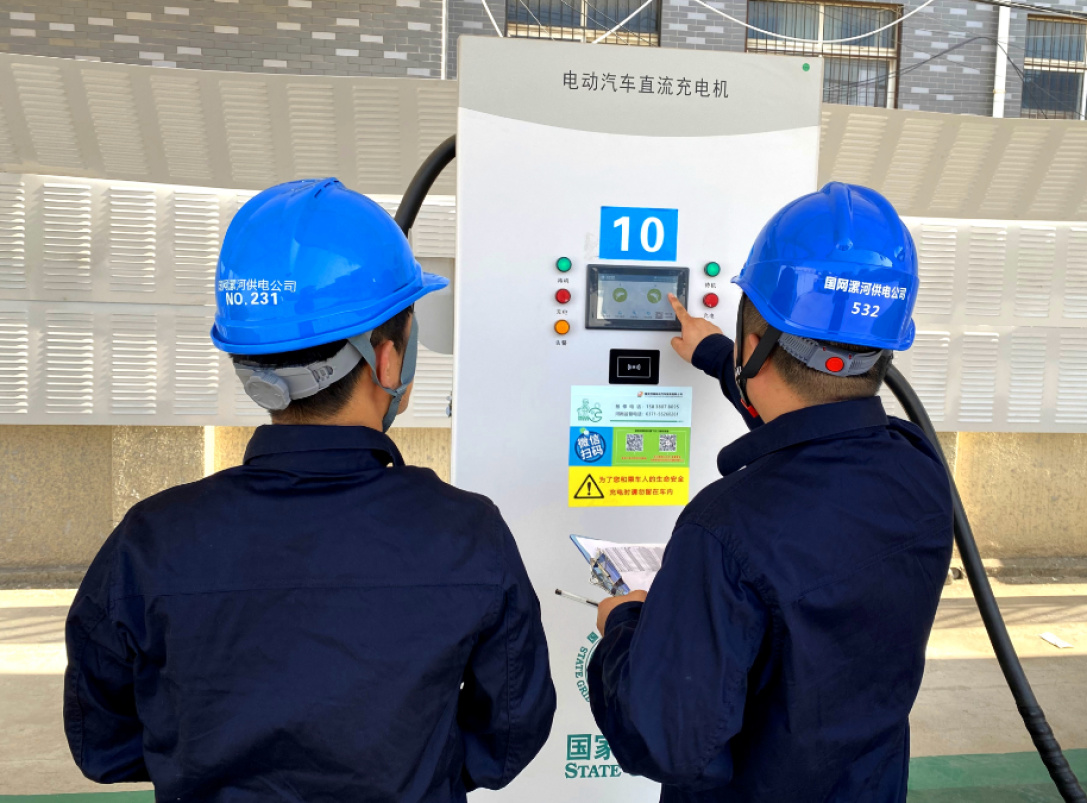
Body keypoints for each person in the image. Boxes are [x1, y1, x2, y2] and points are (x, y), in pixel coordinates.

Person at [63, 178, 555, 801]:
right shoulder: (466, 534)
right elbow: (509, 731)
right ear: (388, 360)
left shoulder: (153, 539)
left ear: (251, 362)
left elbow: (103, 744)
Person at [587, 182, 953, 802]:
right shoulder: (920, 471)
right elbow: (813, 419)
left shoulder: (724, 529)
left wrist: (623, 626)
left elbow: (665, 740)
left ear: (753, 346)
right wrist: (718, 355)